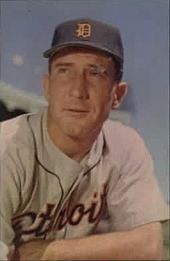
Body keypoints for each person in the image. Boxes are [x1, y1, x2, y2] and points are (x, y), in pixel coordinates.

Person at [0, 18, 168, 260]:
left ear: (116, 94)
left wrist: (50, 252)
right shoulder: (7, 148)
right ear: (47, 87)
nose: (77, 90)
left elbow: (149, 248)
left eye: (95, 73)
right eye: (64, 71)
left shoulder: (125, 145)